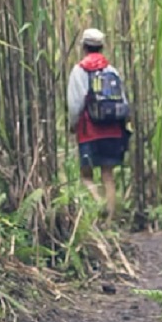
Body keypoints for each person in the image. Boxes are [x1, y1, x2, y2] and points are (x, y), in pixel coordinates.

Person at [67, 28, 130, 216]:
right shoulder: (111, 71)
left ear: (83, 47)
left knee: (86, 176)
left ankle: (99, 205)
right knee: (107, 175)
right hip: (112, 130)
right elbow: (123, 101)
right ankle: (110, 221)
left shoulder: (79, 71)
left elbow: (75, 103)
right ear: (101, 47)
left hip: (89, 131)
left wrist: (73, 125)